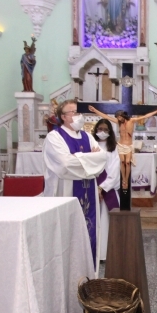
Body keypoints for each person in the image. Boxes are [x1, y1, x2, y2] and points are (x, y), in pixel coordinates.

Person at [43, 100, 108, 262]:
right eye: (73, 112)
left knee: (89, 230)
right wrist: (88, 159)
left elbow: (102, 158)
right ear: (63, 116)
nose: (78, 115)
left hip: (89, 192)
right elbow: (64, 165)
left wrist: (78, 158)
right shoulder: (54, 137)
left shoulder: (87, 136)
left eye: (79, 112)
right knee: (66, 234)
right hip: (64, 192)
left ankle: (88, 273)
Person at [87, 105, 157, 193]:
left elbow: (145, 116)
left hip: (128, 145)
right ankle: (124, 180)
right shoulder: (118, 122)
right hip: (120, 145)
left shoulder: (131, 121)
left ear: (123, 116)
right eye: (117, 118)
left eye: (120, 117)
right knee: (122, 162)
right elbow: (106, 117)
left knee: (127, 163)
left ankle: (126, 180)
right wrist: (95, 110)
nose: (119, 119)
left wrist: (156, 112)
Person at [93, 118, 120, 266]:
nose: (102, 132)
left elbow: (115, 170)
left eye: (105, 129)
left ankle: (106, 253)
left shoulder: (114, 148)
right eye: (100, 129)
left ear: (110, 132)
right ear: (96, 130)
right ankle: (95, 252)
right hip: (92, 188)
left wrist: (102, 188)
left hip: (107, 190)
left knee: (106, 221)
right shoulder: (91, 145)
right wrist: (95, 187)